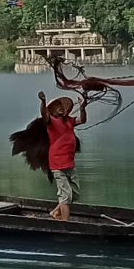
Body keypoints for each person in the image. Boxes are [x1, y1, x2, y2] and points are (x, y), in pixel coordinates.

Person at [41, 91, 86, 219]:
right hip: (57, 164)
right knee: (65, 196)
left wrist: (83, 108)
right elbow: (44, 115)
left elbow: (82, 119)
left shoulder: (69, 121)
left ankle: (55, 212)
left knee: (74, 194)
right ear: (52, 111)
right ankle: (65, 223)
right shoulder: (52, 122)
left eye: (61, 106)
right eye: (56, 106)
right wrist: (43, 101)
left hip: (69, 163)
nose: (60, 107)